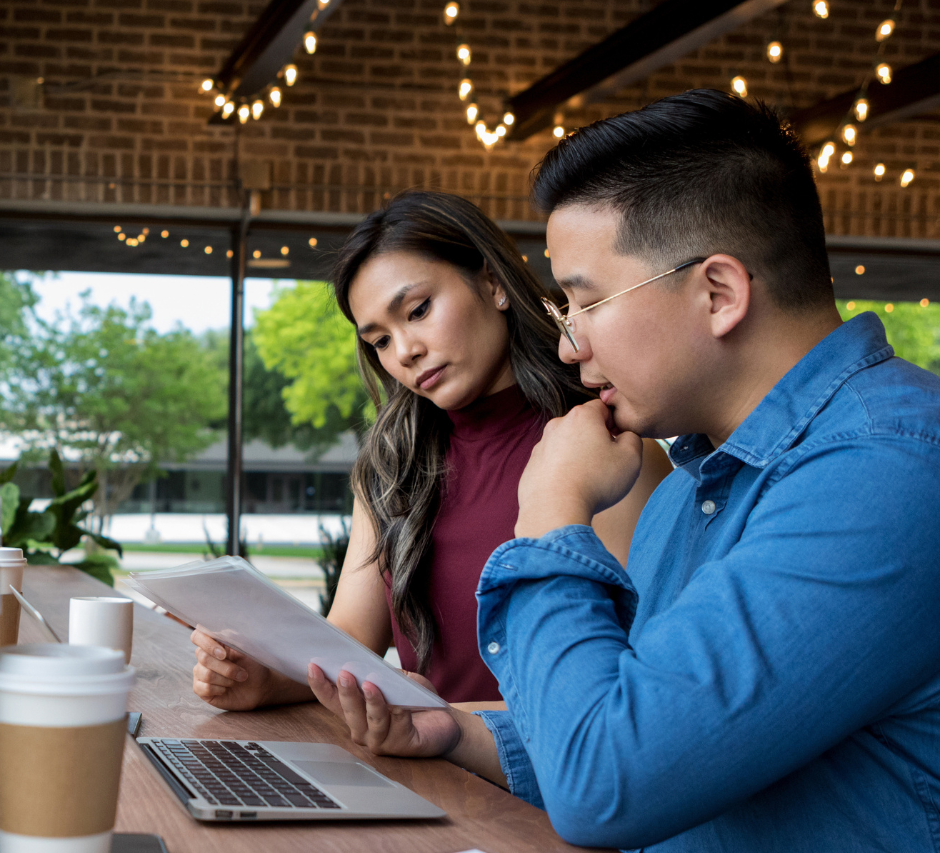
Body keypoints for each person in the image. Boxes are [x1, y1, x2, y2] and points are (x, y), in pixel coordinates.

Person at [309, 89, 940, 853]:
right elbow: (648, 717)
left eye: (587, 299)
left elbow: (611, 778)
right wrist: (456, 729)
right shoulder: (695, 488)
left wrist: (550, 517)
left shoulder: (899, 472)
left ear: (717, 292)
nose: (567, 343)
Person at [190, 191, 670, 711]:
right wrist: (268, 678)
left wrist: (437, 727)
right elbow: (352, 637)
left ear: (492, 283)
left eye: (418, 310)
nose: (404, 352)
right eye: (379, 341)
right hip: (417, 772)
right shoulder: (391, 465)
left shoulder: (608, 447)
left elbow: (630, 683)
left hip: (550, 783)